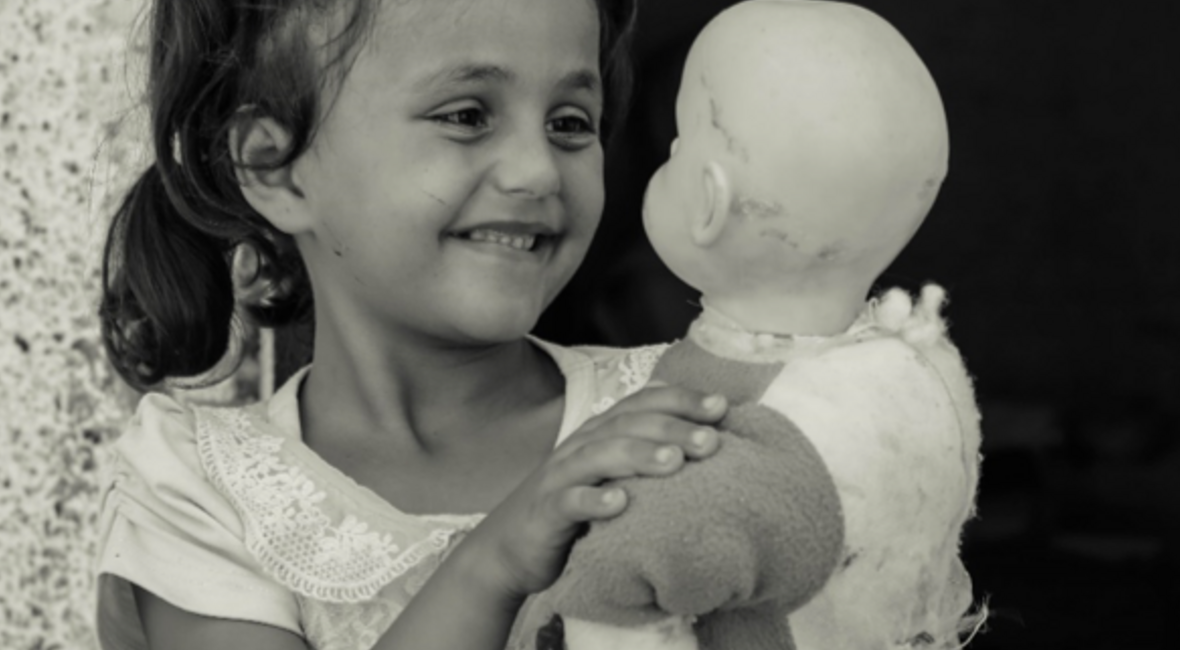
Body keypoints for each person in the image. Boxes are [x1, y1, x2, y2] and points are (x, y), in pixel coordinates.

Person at [88, 0, 734, 648]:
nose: (537, 171)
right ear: (274, 166)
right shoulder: (202, 493)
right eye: (467, 116)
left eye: (569, 123)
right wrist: (493, 563)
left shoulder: (682, 409)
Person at [530, 3, 982, 649]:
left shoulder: (734, 452)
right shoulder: (923, 375)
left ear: (710, 204)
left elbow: (617, 583)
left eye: (677, 145)